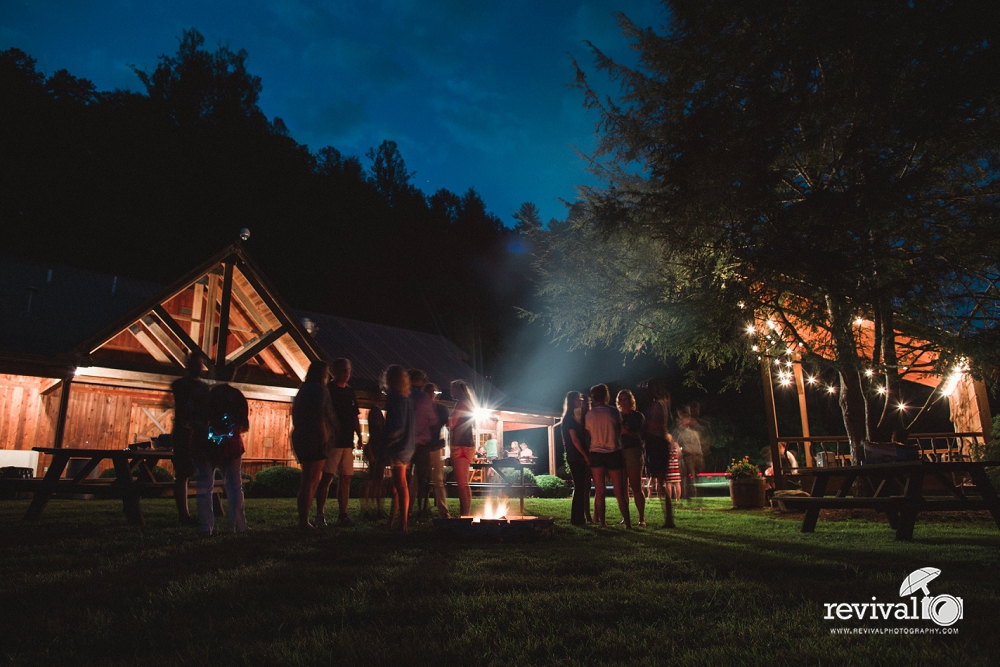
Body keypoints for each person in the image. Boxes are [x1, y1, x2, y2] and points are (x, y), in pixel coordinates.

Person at [192, 383, 249, 535]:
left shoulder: (204, 397)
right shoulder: (236, 396)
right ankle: (239, 526)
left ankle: (206, 528)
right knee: (235, 486)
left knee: (205, 486)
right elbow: (244, 425)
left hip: (205, 446)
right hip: (229, 447)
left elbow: (194, 423)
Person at [292, 361, 338, 530]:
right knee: (311, 480)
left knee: (307, 479)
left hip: (300, 434)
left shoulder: (303, 389)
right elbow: (319, 414)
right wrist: (324, 434)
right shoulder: (319, 390)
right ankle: (304, 521)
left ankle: (303, 518)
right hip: (313, 437)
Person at [317, 358, 362, 527]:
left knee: (346, 478)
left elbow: (354, 415)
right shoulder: (328, 390)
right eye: (343, 370)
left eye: (348, 371)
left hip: (347, 442)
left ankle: (343, 514)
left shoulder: (350, 392)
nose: (346, 374)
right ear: (334, 372)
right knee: (327, 476)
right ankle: (320, 514)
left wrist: (359, 435)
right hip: (333, 441)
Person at [170, 352, 210, 526]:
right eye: (198, 364)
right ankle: (184, 514)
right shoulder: (181, 385)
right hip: (183, 433)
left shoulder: (202, 387)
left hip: (198, 433)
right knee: (183, 474)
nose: (200, 368)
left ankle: (200, 512)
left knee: (200, 473)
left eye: (201, 365)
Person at [585, 384, 631, 529]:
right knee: (619, 491)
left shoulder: (589, 415)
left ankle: (603, 523)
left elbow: (590, 434)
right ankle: (628, 523)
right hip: (613, 452)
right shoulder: (613, 412)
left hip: (596, 453)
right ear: (606, 395)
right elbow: (619, 431)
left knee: (600, 490)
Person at [384, 365, 415, 533]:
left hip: (399, 446)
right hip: (408, 445)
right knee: (398, 485)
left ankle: (403, 524)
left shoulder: (395, 398)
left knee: (401, 485)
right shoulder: (407, 398)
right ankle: (392, 520)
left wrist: (386, 442)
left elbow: (396, 426)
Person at [642, 379, 675, 528]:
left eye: (649, 388)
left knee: (662, 480)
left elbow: (659, 425)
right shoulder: (660, 404)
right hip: (657, 443)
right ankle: (668, 518)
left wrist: (646, 425)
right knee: (661, 481)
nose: (646, 391)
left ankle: (669, 519)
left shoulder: (657, 405)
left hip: (658, 444)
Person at [560, 391, 591, 526]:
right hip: (576, 456)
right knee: (580, 487)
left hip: (575, 456)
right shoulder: (570, 419)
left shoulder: (573, 418)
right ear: (572, 401)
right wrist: (585, 455)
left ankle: (578, 518)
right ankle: (577, 519)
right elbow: (574, 439)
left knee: (580, 487)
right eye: (579, 399)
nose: (581, 401)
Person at [617, 389, 647, 527]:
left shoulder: (637, 417)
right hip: (619, 452)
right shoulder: (616, 417)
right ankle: (626, 518)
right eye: (621, 399)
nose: (623, 402)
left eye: (625, 399)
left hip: (633, 451)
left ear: (631, 400)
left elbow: (640, 436)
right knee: (622, 488)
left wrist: (626, 431)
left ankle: (641, 518)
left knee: (636, 486)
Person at [408, 369, 436, 515]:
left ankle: (406, 509)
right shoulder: (423, 398)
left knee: (406, 479)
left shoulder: (404, 396)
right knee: (422, 478)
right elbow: (433, 420)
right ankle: (421, 508)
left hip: (407, 443)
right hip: (421, 444)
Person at [449, 379, 476, 517]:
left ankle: (464, 514)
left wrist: (446, 419)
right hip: (467, 444)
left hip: (460, 445)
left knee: (461, 483)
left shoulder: (460, 405)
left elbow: (452, 424)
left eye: (452, 389)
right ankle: (465, 513)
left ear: (458, 390)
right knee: (464, 483)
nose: (450, 391)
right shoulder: (469, 404)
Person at [425, 382, 451, 518]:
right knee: (416, 480)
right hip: (422, 447)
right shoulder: (420, 408)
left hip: (436, 447)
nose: (431, 394)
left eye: (433, 392)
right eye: (428, 391)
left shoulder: (441, 409)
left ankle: (444, 511)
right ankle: (408, 510)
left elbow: (448, 425)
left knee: (438, 480)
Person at [362, 405, 388, 519]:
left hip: (378, 452)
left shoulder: (374, 424)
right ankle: (371, 509)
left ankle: (373, 509)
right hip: (377, 452)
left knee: (376, 481)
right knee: (374, 481)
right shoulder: (379, 428)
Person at [673, 410, 704, 502]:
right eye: (681, 419)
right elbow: (675, 445)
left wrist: (699, 456)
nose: (682, 421)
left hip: (694, 457)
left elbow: (698, 446)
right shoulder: (677, 433)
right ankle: (685, 495)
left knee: (693, 477)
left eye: (684, 419)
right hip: (684, 457)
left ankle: (694, 494)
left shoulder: (694, 433)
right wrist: (683, 451)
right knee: (684, 477)